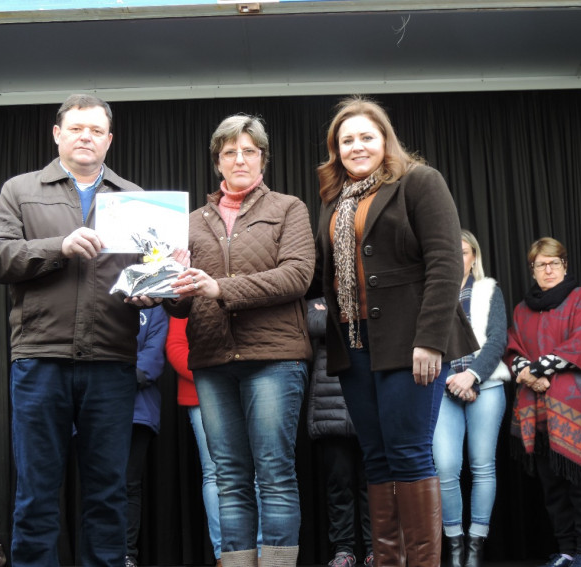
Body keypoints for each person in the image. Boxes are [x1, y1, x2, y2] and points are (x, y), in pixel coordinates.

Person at [310, 96, 478, 567]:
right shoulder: (333, 201)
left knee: (408, 454)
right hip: (355, 347)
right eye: (346, 140)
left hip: (411, 344)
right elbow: (317, 275)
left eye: (367, 136)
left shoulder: (419, 182)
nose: (357, 147)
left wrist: (430, 339)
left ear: (386, 140)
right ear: (335, 149)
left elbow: (446, 264)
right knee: (377, 459)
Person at [0, 93, 145, 567]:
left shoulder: (136, 198)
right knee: (36, 492)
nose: (86, 136)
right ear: (58, 134)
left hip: (111, 361)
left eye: (96, 130)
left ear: (109, 140)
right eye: (76, 128)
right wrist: (59, 245)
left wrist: (160, 290)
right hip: (39, 359)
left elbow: (158, 282)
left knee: (108, 495)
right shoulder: (20, 190)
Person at [164, 114, 315, 567]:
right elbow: (180, 306)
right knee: (229, 477)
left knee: (273, 472)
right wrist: (169, 284)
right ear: (218, 162)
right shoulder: (189, 221)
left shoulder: (289, 208)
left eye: (249, 150)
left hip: (275, 358)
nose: (240, 158)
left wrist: (220, 288)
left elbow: (297, 275)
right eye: (230, 151)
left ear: (263, 158)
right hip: (210, 359)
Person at [506, 237, 581, 567]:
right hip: (539, 411)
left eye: (554, 263)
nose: (548, 270)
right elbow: (513, 348)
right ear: (532, 270)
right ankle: (565, 550)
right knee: (553, 488)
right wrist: (528, 373)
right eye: (541, 265)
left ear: (565, 265)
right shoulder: (522, 309)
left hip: (579, 409)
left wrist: (538, 367)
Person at [431, 230, 509, 567]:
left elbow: (496, 340)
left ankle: (475, 549)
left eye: (463, 252)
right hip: (443, 386)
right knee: (445, 467)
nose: (457, 257)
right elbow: (423, 342)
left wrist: (471, 375)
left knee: (482, 466)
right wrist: (451, 378)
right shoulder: (430, 293)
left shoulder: (488, 290)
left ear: (473, 256)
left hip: (486, 385)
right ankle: (455, 547)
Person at [166, 316, 263, 567]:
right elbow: (176, 347)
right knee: (215, 474)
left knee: (258, 474)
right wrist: (212, 379)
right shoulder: (188, 288)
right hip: (200, 392)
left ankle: (260, 552)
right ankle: (225, 554)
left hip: (249, 388)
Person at [307, 297, 373, 567]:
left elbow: (376, 324)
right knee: (338, 485)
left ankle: (375, 549)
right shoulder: (317, 300)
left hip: (369, 403)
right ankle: (343, 550)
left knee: (374, 484)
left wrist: (336, 315)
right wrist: (354, 313)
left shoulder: (371, 293)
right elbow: (312, 324)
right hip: (329, 406)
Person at [126, 306, 169, 567]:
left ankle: (126, 553)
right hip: (94, 408)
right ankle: (98, 551)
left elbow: (154, 351)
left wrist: (118, 378)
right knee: (98, 484)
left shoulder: (152, 308)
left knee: (129, 484)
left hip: (138, 410)